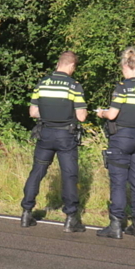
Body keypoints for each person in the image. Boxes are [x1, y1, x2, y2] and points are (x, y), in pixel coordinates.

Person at [94, 48, 135, 239]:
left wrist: (102, 113)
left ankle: (116, 225)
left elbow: (112, 114)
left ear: (125, 66)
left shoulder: (122, 87)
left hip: (122, 138)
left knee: (119, 182)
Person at [20, 51, 88, 232]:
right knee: (69, 175)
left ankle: (26, 211)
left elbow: (33, 112)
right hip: (66, 136)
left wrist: (50, 115)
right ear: (72, 66)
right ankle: (71, 217)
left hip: (45, 134)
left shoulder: (42, 83)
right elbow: (81, 116)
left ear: (59, 63)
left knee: (37, 171)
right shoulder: (74, 86)